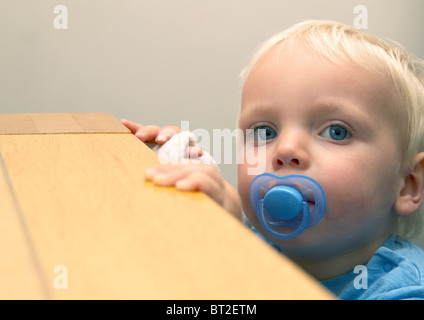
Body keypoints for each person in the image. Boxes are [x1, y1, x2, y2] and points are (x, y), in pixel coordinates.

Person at [121, 20, 424, 299]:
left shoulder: (405, 290)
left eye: (336, 131)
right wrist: (180, 192)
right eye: (265, 131)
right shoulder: (255, 246)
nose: (285, 150)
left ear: (407, 185)